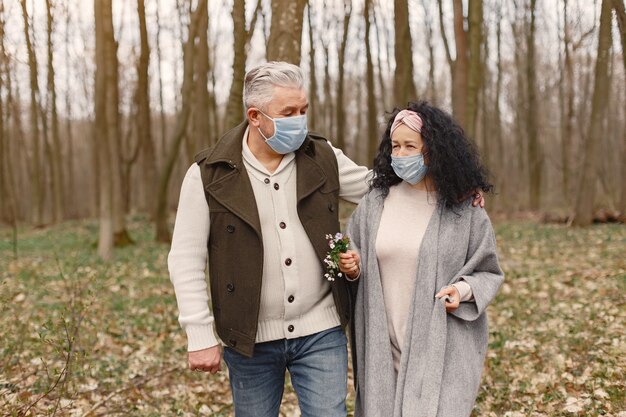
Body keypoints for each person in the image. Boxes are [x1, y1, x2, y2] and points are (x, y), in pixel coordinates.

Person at [167, 61, 370, 416]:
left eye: (304, 110)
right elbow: (185, 258)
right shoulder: (208, 174)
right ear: (255, 116)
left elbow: (377, 188)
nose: (300, 120)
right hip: (250, 341)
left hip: (321, 329)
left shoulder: (322, 157)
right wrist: (199, 335)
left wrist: (453, 184)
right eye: (288, 112)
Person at [338, 101, 504, 417]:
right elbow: (355, 251)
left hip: (439, 349)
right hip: (382, 346)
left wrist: (462, 291)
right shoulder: (375, 202)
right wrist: (352, 266)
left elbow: (488, 271)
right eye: (395, 146)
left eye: (410, 146)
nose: (400, 154)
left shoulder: (464, 209)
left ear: (435, 150)